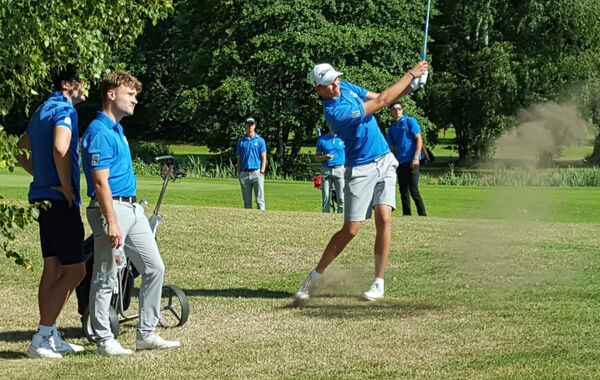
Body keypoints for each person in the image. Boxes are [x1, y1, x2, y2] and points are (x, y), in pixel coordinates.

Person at [295, 60, 428, 301]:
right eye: (329, 83)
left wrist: (412, 87)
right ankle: (315, 275)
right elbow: (381, 102)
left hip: (385, 160)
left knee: (384, 217)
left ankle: (379, 283)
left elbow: (380, 96)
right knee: (351, 230)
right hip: (360, 168)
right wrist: (410, 74)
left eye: (335, 79)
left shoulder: (344, 85)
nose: (335, 85)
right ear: (318, 89)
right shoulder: (335, 114)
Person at [81, 71, 180, 355]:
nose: (135, 99)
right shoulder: (99, 132)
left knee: (154, 267)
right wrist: (112, 221)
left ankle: (145, 333)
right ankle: (104, 340)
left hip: (132, 208)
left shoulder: (117, 130)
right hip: (111, 209)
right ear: (111, 95)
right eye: (130, 94)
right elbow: (100, 182)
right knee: (106, 274)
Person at [16, 64, 87, 358]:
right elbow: (61, 148)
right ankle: (43, 336)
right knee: (76, 270)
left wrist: (41, 177)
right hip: (60, 201)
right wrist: (64, 186)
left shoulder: (41, 110)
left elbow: (21, 150)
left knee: (53, 267)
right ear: (68, 84)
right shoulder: (64, 110)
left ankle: (50, 332)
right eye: (82, 82)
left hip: (41, 199)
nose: (85, 87)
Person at [387, 102, 427, 216]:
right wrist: (392, 163)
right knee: (403, 190)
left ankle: (422, 214)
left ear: (402, 110)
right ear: (391, 112)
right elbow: (392, 148)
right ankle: (407, 215)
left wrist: (416, 157)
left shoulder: (410, 121)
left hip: (412, 160)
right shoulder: (392, 129)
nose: (397, 111)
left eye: (399, 109)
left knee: (413, 189)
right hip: (400, 161)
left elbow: (418, 139)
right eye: (394, 109)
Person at [236, 117, 267, 210]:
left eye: (252, 124)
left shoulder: (260, 140)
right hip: (244, 173)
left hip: (257, 172)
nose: (250, 126)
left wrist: (262, 170)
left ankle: (261, 219)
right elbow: (239, 158)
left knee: (260, 200)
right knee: (246, 201)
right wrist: (239, 172)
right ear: (245, 126)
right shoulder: (241, 141)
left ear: (254, 126)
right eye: (248, 124)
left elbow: (264, 157)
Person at [316, 127, 345, 213]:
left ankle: (342, 216)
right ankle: (326, 216)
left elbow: (349, 153)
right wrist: (324, 157)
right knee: (326, 196)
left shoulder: (343, 138)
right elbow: (317, 157)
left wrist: (346, 167)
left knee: (341, 197)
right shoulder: (322, 140)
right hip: (326, 170)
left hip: (339, 169)